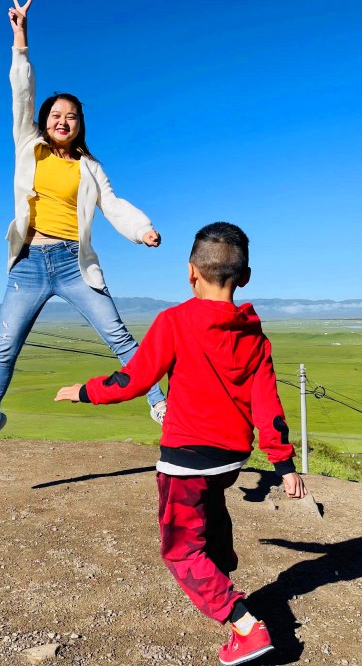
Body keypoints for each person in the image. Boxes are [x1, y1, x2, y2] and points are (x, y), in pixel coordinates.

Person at [55, 222, 307, 665]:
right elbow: (269, 406)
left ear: (191, 272)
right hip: (230, 459)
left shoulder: (174, 322)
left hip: (186, 459)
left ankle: (244, 626)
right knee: (211, 505)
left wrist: (85, 392)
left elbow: (133, 380)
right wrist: (284, 466)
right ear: (245, 276)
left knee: (180, 550)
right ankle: (220, 570)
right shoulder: (254, 337)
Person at [0, 0, 167, 460]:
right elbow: (21, 93)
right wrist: (20, 39)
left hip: (73, 263)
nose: (63, 121)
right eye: (56, 115)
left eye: (71, 116)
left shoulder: (89, 167)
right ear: (44, 121)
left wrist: (141, 229)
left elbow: (113, 204)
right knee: (6, 346)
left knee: (119, 336)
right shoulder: (29, 146)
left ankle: (159, 405)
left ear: (80, 125)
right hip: (28, 264)